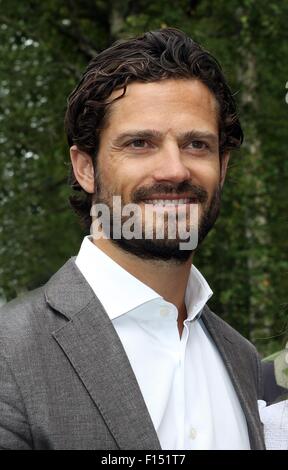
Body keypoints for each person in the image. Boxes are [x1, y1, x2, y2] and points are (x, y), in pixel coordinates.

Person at [0, 28, 265, 450]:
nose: (175, 170)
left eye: (197, 144)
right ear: (85, 168)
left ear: (223, 166)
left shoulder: (242, 358)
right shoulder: (9, 355)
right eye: (140, 143)